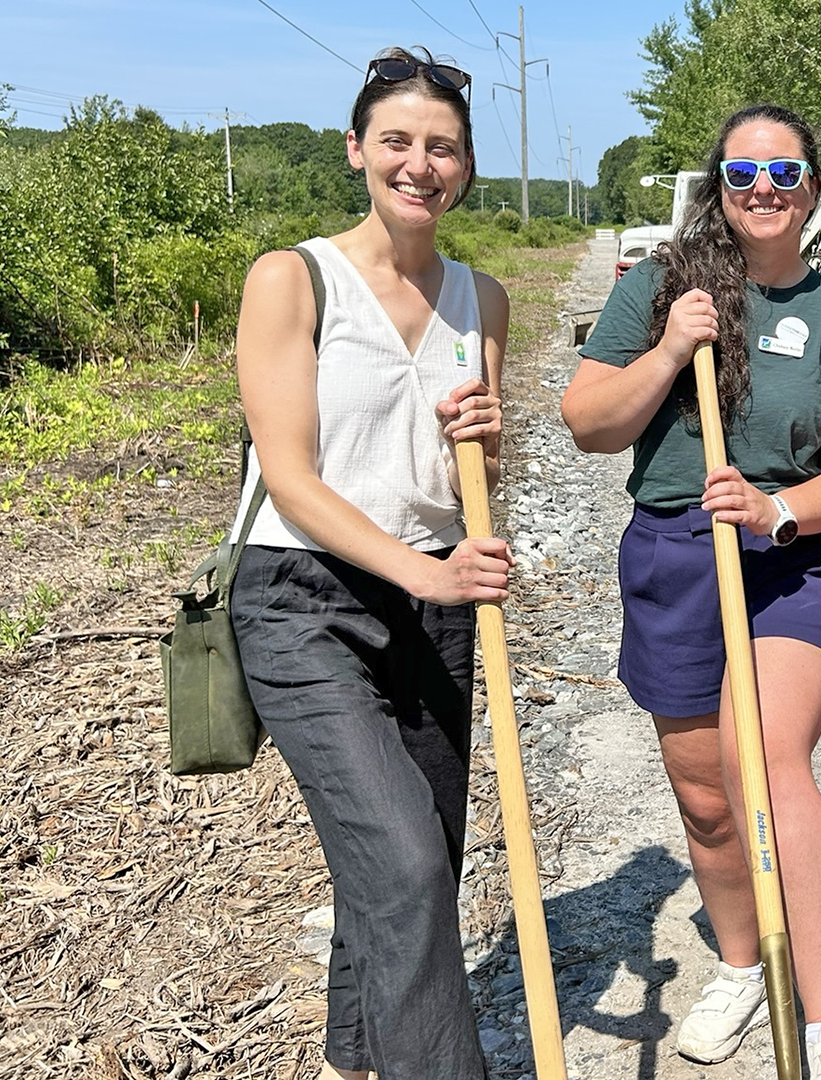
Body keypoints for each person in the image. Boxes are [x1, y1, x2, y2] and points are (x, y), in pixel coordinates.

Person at [561, 104, 821, 1079]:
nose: (764, 191)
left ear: (813, 187)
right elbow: (587, 421)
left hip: (794, 558)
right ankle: (743, 967)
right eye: (744, 175)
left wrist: (777, 511)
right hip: (676, 550)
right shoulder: (659, 287)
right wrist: (671, 350)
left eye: (784, 175)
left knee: (768, 759)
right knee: (708, 801)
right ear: (720, 184)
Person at [227, 46, 511, 1080]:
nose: (419, 163)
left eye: (442, 147)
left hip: (431, 604)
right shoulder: (293, 279)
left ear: (466, 167)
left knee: (409, 859)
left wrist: (486, 432)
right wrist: (424, 571)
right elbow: (294, 480)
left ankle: (356, 1058)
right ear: (357, 150)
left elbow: (462, 471)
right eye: (397, 141)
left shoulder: (482, 298)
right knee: (402, 866)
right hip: (303, 597)